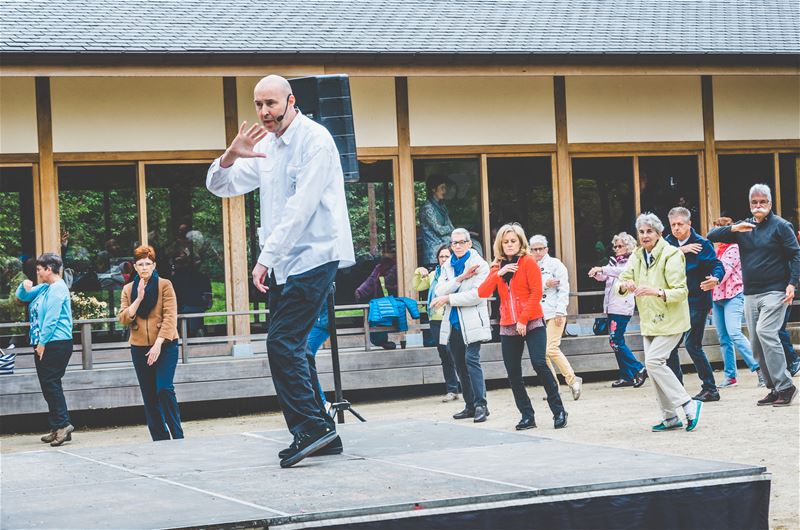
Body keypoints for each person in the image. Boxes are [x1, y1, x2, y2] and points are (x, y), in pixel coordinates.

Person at [206, 74, 355, 467]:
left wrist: (264, 258)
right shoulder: (267, 148)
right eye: (258, 105)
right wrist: (230, 155)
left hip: (315, 256)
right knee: (296, 347)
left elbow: (300, 209)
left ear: (291, 101)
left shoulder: (315, 140)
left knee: (281, 344)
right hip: (285, 264)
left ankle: (310, 428)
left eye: (271, 104)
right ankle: (323, 429)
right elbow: (220, 186)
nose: (264, 112)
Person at [708, 184, 799, 407]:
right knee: (756, 342)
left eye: (762, 202)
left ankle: (786, 386)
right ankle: (773, 388)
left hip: (776, 290)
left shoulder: (781, 226)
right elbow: (711, 235)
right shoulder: (744, 228)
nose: (758, 206)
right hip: (750, 293)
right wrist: (734, 228)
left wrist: (792, 284)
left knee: (766, 332)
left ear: (770, 203)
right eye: (754, 202)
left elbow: (796, 255)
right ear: (750, 204)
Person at [478, 224, 568, 430]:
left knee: (539, 363)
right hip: (508, 325)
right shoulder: (497, 266)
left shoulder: (528, 262)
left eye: (513, 241)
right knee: (513, 373)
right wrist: (499, 273)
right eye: (506, 241)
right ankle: (527, 415)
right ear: (500, 243)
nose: (509, 245)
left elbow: (536, 293)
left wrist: (523, 320)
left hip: (532, 321)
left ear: (520, 242)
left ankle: (559, 410)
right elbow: (483, 292)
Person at [619, 213, 703, 432]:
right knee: (653, 366)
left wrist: (655, 291)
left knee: (655, 363)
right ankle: (669, 418)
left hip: (672, 321)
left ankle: (687, 403)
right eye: (642, 232)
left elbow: (681, 292)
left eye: (649, 231)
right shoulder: (637, 255)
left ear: (658, 233)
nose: (645, 236)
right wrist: (625, 285)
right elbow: (622, 280)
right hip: (649, 322)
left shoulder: (672, 254)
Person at [118, 245, 183, 441]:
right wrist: (138, 299)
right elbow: (123, 318)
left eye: (148, 264)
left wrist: (158, 344)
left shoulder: (165, 285)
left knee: (164, 388)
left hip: (165, 344)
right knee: (149, 395)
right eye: (140, 264)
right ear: (135, 267)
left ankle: (177, 435)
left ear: (154, 265)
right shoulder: (128, 289)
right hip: (139, 347)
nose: (144, 267)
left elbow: (171, 316)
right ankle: (160, 439)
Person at [664, 207, 725, 402]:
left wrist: (715, 278)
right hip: (675, 302)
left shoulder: (702, 244)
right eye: (673, 224)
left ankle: (710, 388)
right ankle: (678, 390)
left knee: (692, 344)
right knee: (671, 347)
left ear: (689, 224)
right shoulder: (667, 243)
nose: (676, 228)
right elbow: (657, 259)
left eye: (680, 224)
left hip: (697, 301)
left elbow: (717, 265)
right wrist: (679, 250)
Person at [431, 228, 491, 423]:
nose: (457, 246)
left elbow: (477, 295)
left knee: (471, 360)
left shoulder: (480, 265)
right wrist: (461, 278)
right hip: (454, 322)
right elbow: (439, 289)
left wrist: (448, 297)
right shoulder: (447, 264)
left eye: (461, 242)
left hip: (473, 320)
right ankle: (470, 405)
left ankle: (482, 404)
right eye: (454, 243)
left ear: (469, 243)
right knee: (459, 363)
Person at [15, 253, 75, 446]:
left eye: (40, 269)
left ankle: (63, 425)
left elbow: (51, 319)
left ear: (49, 269)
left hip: (55, 343)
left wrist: (42, 343)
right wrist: (23, 286)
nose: (38, 272)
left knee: (51, 383)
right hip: (46, 342)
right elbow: (22, 296)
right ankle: (58, 426)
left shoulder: (58, 289)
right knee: (48, 385)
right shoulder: (45, 288)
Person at [710, 217, 764, 388]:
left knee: (734, 333)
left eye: (721, 229)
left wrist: (710, 280)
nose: (718, 233)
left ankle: (760, 369)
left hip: (733, 295)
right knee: (723, 338)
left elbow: (723, 272)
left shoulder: (734, 248)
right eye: (716, 228)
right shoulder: (716, 250)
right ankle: (730, 377)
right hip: (717, 297)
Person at [589, 232, 647, 388]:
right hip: (611, 306)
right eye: (615, 246)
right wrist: (597, 273)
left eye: (620, 246)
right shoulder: (613, 262)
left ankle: (638, 368)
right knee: (615, 342)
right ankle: (626, 376)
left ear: (628, 246)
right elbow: (605, 277)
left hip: (622, 307)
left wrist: (603, 268)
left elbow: (620, 272)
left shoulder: (632, 261)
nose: (616, 249)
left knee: (616, 341)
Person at [529, 235, 583, 400]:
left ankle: (573, 380)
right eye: (534, 249)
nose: (537, 252)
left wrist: (561, 311)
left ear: (546, 249)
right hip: (537, 313)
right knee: (543, 354)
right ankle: (554, 387)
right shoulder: (529, 265)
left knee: (550, 348)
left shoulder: (555, 264)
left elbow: (563, 288)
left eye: (540, 249)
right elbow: (530, 286)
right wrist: (546, 283)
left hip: (555, 312)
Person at [413, 244, 461, 402]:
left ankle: (466, 387)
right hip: (435, 319)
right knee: (444, 354)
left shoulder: (457, 272)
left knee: (456, 352)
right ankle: (452, 389)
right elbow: (418, 286)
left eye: (447, 256)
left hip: (452, 316)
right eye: (441, 257)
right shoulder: (434, 274)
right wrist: (418, 272)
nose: (444, 259)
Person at [354, 241, 398, 350]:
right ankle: (383, 341)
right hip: (381, 299)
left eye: (388, 251)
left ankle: (396, 340)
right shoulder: (380, 266)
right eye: (384, 251)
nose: (385, 253)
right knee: (377, 321)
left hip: (394, 298)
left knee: (390, 320)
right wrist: (360, 291)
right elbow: (371, 280)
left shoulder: (398, 266)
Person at [170, 252, 213, 337]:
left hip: (188, 308)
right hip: (190, 308)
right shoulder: (202, 277)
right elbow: (208, 300)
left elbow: (208, 299)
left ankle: (194, 333)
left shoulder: (175, 278)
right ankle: (197, 333)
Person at [419, 175, 455, 267]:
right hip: (433, 255)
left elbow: (451, 227)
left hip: (445, 249)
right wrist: (450, 228)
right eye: (442, 188)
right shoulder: (427, 208)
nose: (444, 191)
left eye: (445, 188)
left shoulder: (442, 207)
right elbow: (439, 230)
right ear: (433, 189)